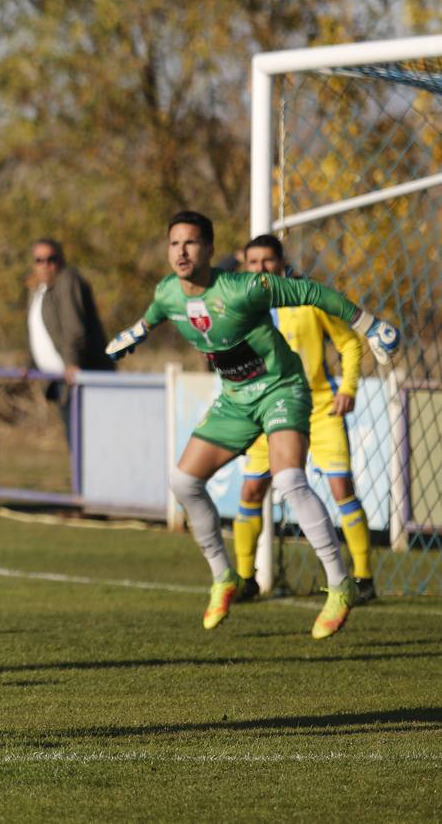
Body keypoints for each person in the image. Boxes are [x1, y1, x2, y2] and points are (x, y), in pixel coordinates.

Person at [105, 211, 400, 638]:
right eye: (174, 244)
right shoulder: (168, 292)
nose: (181, 251)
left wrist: (370, 325)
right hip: (236, 400)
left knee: (290, 481)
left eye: (191, 243)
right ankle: (224, 577)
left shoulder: (246, 288)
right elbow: (156, 311)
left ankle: (341, 586)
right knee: (182, 481)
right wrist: (135, 332)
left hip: (282, 389)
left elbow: (312, 292)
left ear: (209, 249)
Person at [233, 234, 376, 604]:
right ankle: (246, 579)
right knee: (251, 490)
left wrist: (348, 387)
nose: (261, 268)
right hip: (267, 409)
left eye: (267, 261)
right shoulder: (242, 306)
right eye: (253, 262)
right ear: (244, 265)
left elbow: (349, 342)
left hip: (318, 407)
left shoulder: (307, 297)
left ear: (281, 263)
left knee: (341, 488)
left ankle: (362, 577)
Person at [25, 238, 113, 439]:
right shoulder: (39, 290)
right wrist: (28, 364)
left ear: (61, 260)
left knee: (89, 442)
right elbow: (36, 331)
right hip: (60, 381)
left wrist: (72, 363)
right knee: (76, 441)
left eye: (51, 259)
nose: (45, 265)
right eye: (39, 260)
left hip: (80, 379)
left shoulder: (67, 280)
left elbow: (74, 329)